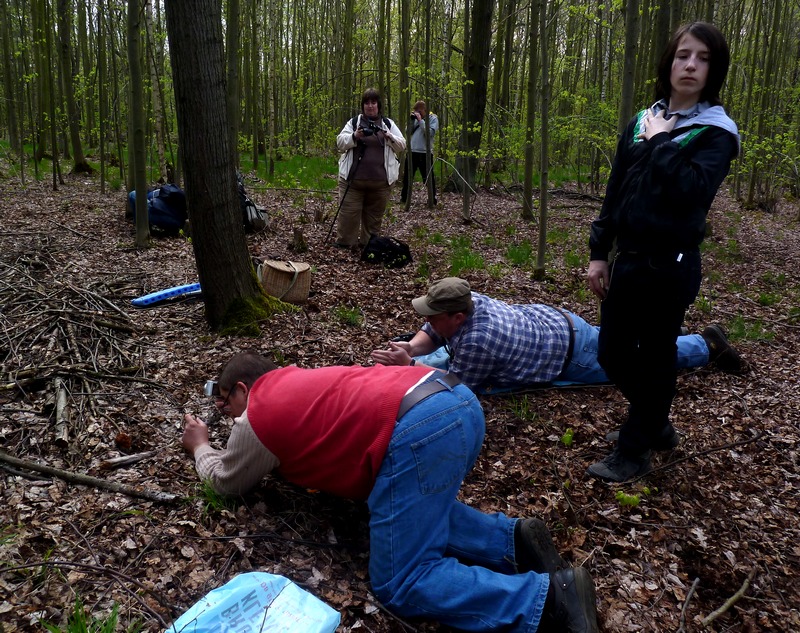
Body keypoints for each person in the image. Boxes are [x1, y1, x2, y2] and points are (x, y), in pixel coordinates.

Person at [182, 351, 600, 633]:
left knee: (401, 581)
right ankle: (514, 542)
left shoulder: (257, 414)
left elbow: (225, 482)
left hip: (419, 427)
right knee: (411, 504)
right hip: (456, 399)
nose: (226, 414)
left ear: (243, 389)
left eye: (225, 402)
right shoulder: (300, 382)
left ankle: (547, 600)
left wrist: (201, 445)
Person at [585, 22, 740, 482]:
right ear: (668, 62)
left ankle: (634, 451)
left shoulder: (716, 133)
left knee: (655, 355)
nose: (691, 65)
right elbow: (616, 191)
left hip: (671, 264)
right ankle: (653, 423)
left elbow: (693, 190)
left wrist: (660, 142)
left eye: (703, 59)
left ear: (714, 70)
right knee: (612, 353)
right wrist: (599, 251)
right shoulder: (643, 121)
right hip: (629, 259)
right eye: (683, 55)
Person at [370, 277, 742, 394]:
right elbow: (432, 332)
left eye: (434, 316)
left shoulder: (480, 339)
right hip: (558, 325)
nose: (427, 321)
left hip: (570, 353)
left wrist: (410, 366)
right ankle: (666, 333)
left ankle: (706, 346)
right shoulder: (468, 299)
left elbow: (456, 384)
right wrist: (413, 347)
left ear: (458, 316)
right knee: (622, 340)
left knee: (636, 361)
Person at [334, 88, 406, 250]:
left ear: (378, 105)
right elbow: (340, 142)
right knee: (348, 216)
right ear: (363, 106)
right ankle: (346, 246)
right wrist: (355, 136)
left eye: (373, 102)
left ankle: (369, 248)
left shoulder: (388, 124)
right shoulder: (354, 122)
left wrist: (389, 136)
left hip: (380, 184)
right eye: (367, 103)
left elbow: (402, 145)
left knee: (373, 220)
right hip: (352, 182)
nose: (370, 106)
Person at [400, 100, 439, 205]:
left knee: (428, 178)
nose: (417, 113)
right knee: (408, 177)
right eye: (416, 111)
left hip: (425, 153)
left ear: (425, 110)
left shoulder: (433, 118)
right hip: (412, 151)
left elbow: (430, 133)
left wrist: (421, 121)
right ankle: (404, 198)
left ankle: (432, 199)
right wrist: (412, 120)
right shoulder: (415, 119)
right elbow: (408, 132)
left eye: (419, 111)